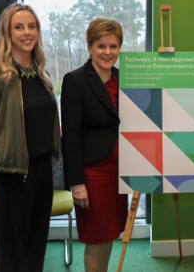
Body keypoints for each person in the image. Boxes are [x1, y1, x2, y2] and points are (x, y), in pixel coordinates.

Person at [0, 3, 60, 272]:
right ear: (7, 33)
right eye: (18, 27)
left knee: (35, 246)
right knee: (11, 254)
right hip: (11, 177)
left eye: (31, 26)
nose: (26, 32)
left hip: (42, 173)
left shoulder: (40, 74)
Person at [61, 17, 128, 272]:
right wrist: (77, 184)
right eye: (101, 46)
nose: (107, 52)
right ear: (90, 47)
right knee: (95, 239)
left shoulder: (124, 79)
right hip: (93, 174)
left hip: (119, 172)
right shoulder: (75, 80)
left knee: (110, 233)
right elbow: (71, 137)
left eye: (113, 46)